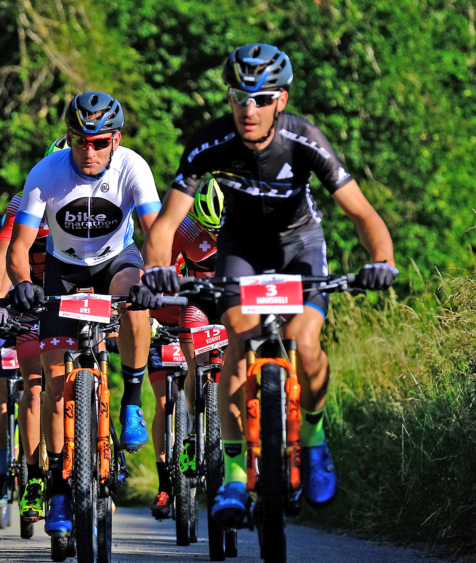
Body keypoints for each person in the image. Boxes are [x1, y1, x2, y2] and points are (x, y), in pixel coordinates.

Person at [138, 44, 397, 526]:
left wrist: (382, 259)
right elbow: (166, 224)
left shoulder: (306, 140)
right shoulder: (209, 143)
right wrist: (156, 271)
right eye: (239, 96)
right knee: (237, 336)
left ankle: (315, 440)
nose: (248, 109)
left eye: (260, 98)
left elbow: (362, 213)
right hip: (242, 250)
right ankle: (235, 473)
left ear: (282, 99)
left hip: (300, 246)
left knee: (305, 338)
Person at [6, 92, 162, 537]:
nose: (88, 152)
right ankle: (57, 486)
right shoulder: (46, 173)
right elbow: (19, 251)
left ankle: (132, 400)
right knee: (56, 389)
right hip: (64, 272)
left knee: (136, 295)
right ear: (70, 138)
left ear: (116, 139)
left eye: (98, 142)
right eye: (79, 141)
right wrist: (22, 286)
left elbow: (154, 234)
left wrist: (157, 275)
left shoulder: (133, 167)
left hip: (116, 261)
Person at [0, 136, 67, 522]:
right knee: (35, 387)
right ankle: (35, 477)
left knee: (88, 374)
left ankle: (93, 457)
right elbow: (1, 259)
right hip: (34, 299)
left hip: (79, 296)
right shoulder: (23, 203)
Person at [146, 177, 223, 519]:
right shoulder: (186, 229)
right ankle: (190, 429)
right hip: (195, 304)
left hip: (233, 303)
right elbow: (159, 260)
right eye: (212, 230)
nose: (218, 237)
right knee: (190, 364)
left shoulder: (249, 225)